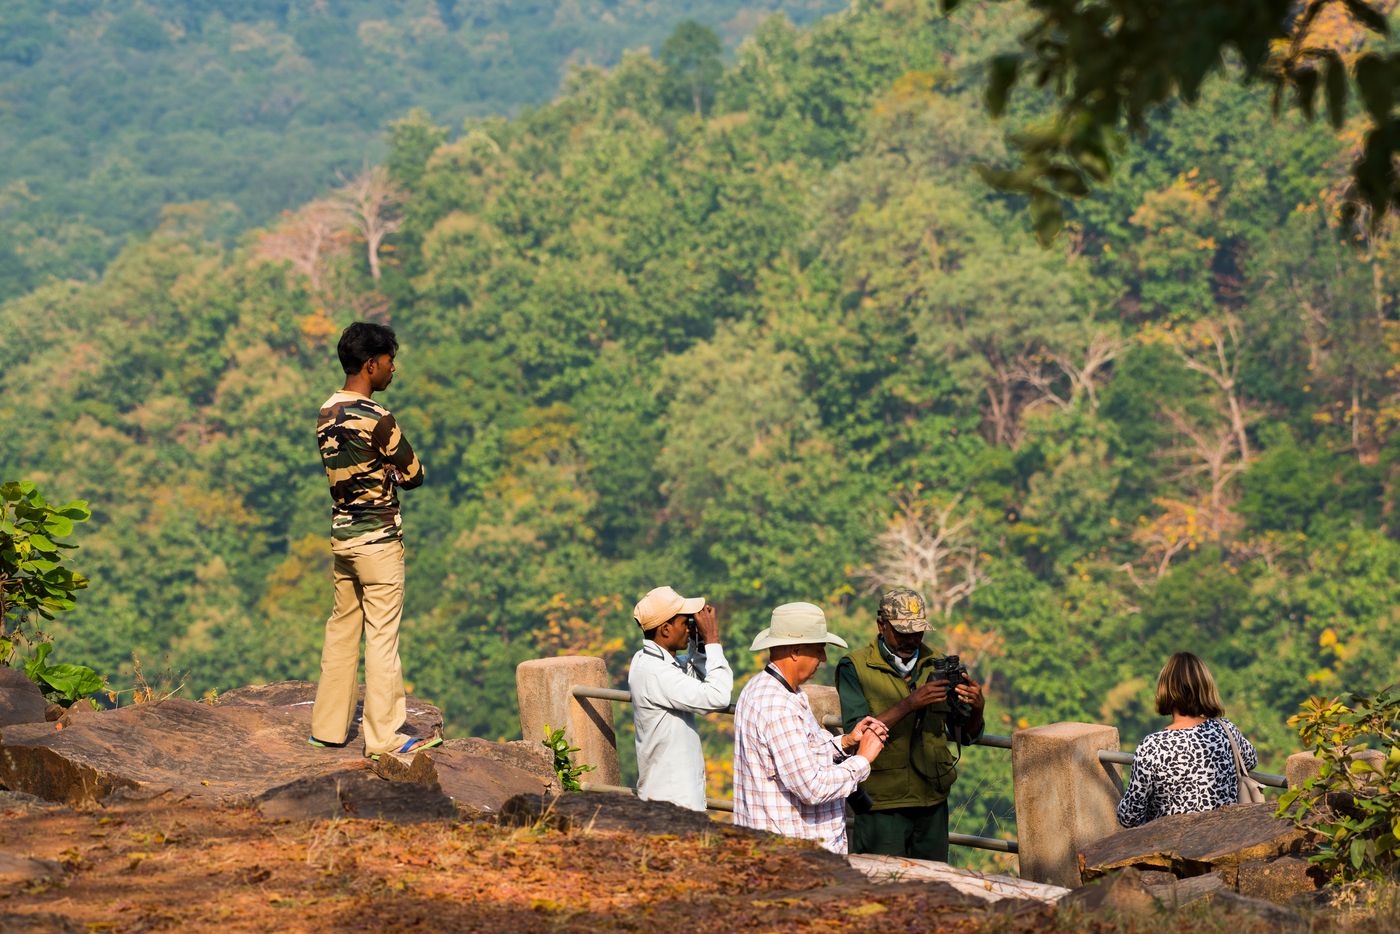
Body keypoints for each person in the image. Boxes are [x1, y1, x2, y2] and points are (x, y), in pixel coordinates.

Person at [308, 322, 439, 760]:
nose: (393, 369)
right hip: (379, 542)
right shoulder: (378, 418)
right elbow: (415, 473)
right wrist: (391, 472)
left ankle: (327, 728)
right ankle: (384, 738)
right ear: (370, 364)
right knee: (381, 638)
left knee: (342, 628)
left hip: (342, 539)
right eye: (388, 362)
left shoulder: (326, 411)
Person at [835, 588, 985, 863]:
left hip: (931, 799)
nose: (912, 639)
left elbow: (967, 735)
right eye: (902, 632)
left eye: (918, 632)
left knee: (932, 884)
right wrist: (910, 703)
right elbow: (857, 733)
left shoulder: (938, 664)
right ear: (881, 625)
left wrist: (977, 707)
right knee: (881, 884)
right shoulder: (855, 667)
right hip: (882, 802)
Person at [733, 602, 889, 854]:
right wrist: (862, 760)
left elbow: (806, 751)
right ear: (795, 651)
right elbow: (811, 788)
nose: (824, 659)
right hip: (794, 851)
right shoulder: (777, 705)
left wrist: (847, 742)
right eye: (818, 650)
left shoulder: (779, 691)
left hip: (789, 844)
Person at [1117, 652, 1258, 827]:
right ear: (1205, 688)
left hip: (1171, 849)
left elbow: (1129, 816)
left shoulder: (1152, 746)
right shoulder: (1225, 729)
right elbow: (1250, 760)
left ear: (1165, 690)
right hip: (1224, 842)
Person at [626, 586, 734, 811]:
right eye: (685, 623)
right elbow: (717, 696)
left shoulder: (648, 660)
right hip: (672, 799)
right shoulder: (655, 672)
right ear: (665, 629)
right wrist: (712, 639)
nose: (689, 628)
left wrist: (698, 644)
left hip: (670, 791)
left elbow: (695, 677)